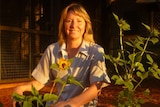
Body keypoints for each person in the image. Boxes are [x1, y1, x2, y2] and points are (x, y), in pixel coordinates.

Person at [12, 3, 110, 107]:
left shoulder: (95, 51)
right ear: (63, 25)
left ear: (86, 25)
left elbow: (96, 88)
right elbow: (39, 82)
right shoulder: (52, 50)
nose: (73, 25)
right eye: (69, 21)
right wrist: (20, 88)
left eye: (79, 21)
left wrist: (70, 104)